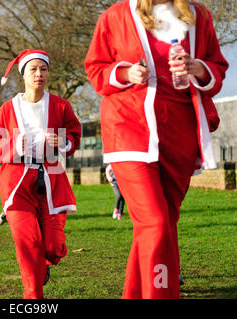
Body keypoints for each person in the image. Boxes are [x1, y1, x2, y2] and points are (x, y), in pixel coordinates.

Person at [84, 0, 228, 299]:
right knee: (155, 221)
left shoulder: (199, 15)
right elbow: (95, 68)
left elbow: (217, 68)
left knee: (162, 224)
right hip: (129, 129)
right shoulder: (115, 15)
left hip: (180, 132)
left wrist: (198, 67)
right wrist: (124, 73)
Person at [0, 49, 81, 299]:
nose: (39, 74)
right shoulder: (7, 110)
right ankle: (33, 296)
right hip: (17, 186)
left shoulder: (60, 105)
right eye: (33, 69)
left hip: (52, 181)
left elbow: (74, 134)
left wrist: (64, 141)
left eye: (44, 69)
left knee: (52, 248)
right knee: (28, 245)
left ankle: (45, 264)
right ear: (23, 75)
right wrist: (14, 146)